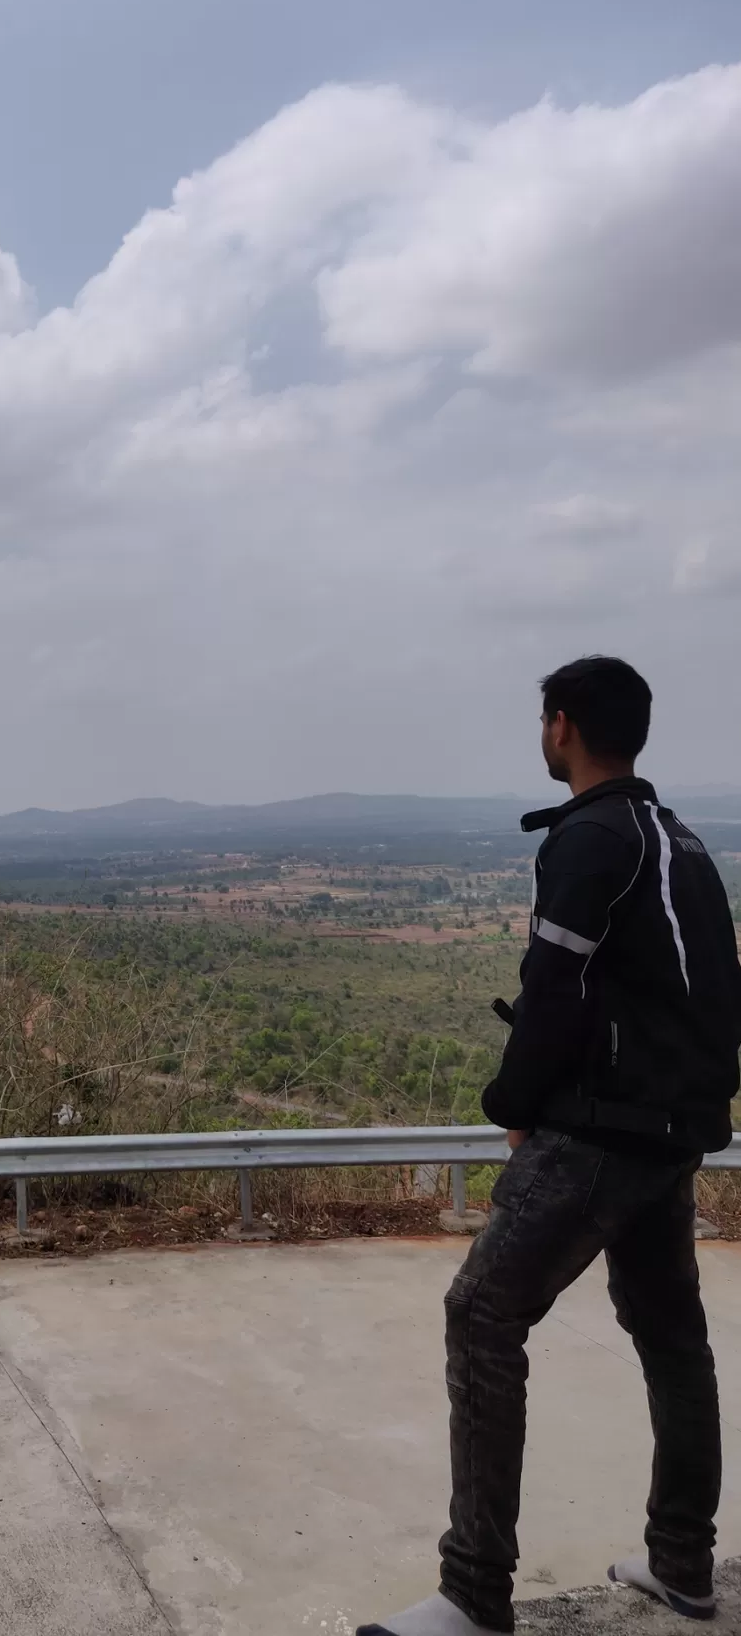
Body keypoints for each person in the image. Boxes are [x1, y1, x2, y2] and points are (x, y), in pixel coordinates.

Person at [361, 655, 741, 1636]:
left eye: (545, 720)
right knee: (673, 1341)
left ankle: (473, 1595)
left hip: (602, 1129)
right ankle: (682, 1565)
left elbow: (554, 988)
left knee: (482, 1315)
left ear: (562, 726)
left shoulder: (593, 838)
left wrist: (514, 1101)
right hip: (674, 1132)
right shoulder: (684, 843)